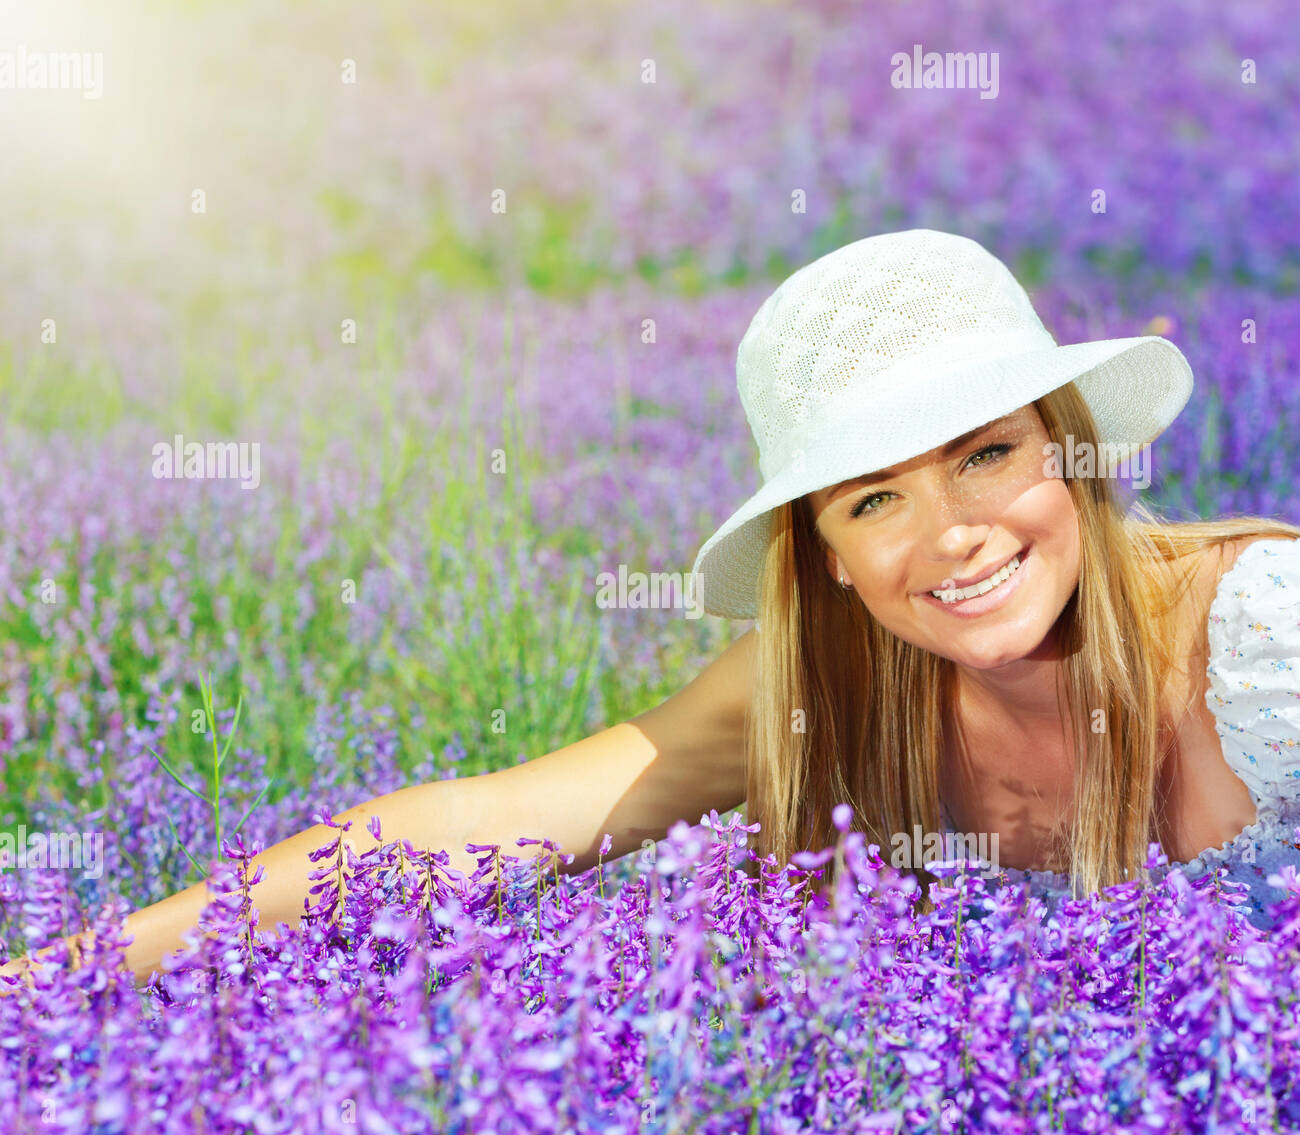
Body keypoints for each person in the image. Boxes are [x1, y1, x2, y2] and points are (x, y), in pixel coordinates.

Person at [4, 228, 1298, 996]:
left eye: (985, 455)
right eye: (872, 501)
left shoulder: (1265, 635)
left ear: (1068, 448)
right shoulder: (823, 688)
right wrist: (70, 976)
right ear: (828, 554)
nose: (950, 534)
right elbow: (485, 822)